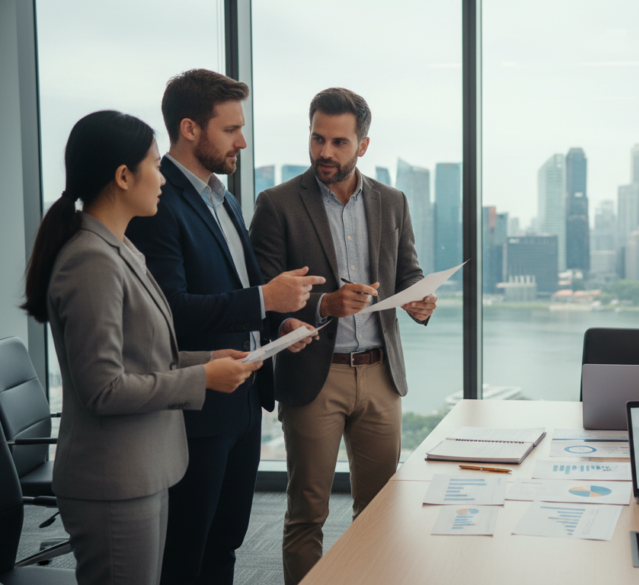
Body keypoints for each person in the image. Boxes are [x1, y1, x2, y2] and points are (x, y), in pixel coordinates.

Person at [21, 110, 261, 585]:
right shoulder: (90, 260)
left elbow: (143, 353)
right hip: (113, 479)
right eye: (155, 166)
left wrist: (207, 359)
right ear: (123, 176)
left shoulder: (120, 249)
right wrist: (202, 379)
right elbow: (104, 389)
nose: (163, 180)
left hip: (143, 470)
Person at [125, 69, 323, 585]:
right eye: (230, 129)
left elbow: (241, 294)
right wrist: (264, 297)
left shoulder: (224, 197)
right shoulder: (158, 203)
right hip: (197, 410)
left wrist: (283, 321)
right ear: (189, 129)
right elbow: (168, 310)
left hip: (243, 402)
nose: (243, 140)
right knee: (187, 550)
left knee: (226, 542)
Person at [249, 87, 437, 585]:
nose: (324, 152)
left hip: (380, 375)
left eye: (338, 142)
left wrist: (420, 301)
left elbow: (408, 273)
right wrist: (322, 305)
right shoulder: (277, 204)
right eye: (317, 138)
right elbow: (262, 297)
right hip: (315, 377)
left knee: (379, 512)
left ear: (363, 145)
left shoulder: (392, 202)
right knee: (307, 512)